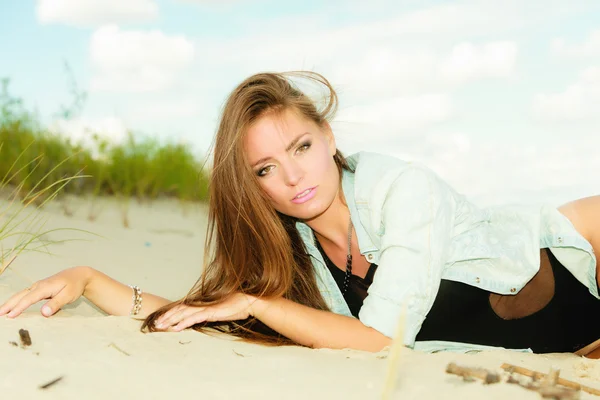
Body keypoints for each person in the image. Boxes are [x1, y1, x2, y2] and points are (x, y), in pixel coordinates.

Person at [1, 71, 599, 355]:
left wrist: (258, 301)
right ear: (253, 187)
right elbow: (209, 318)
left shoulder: (402, 189)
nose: (292, 178)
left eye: (301, 148)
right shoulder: (296, 256)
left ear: (329, 136)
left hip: (580, 251)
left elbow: (377, 342)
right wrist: (89, 280)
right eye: (264, 169)